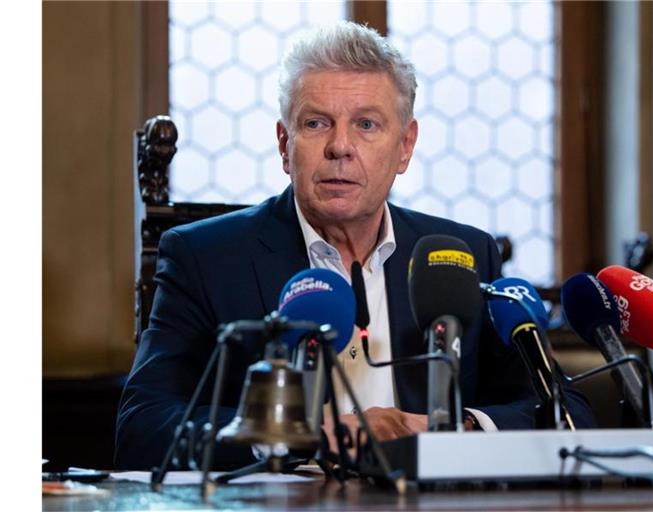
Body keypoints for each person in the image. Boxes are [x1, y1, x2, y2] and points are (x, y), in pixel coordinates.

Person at [115, 21, 595, 470]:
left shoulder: (462, 256)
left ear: (405, 146)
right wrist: (300, 434)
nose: (340, 147)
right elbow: (142, 428)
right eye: (317, 124)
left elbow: (567, 410)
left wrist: (455, 430)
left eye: (366, 124)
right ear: (284, 145)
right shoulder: (206, 258)